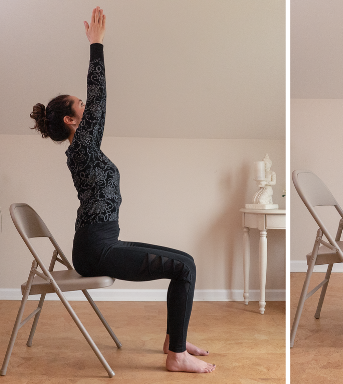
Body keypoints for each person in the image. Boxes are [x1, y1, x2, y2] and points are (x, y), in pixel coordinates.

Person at [29, 7, 215, 373]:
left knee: (187, 263)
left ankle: (172, 340)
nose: (86, 107)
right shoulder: (81, 147)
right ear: (71, 120)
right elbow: (98, 99)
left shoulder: (86, 150)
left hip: (102, 243)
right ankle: (176, 356)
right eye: (79, 106)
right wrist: (96, 45)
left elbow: (94, 104)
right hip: (96, 250)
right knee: (183, 269)